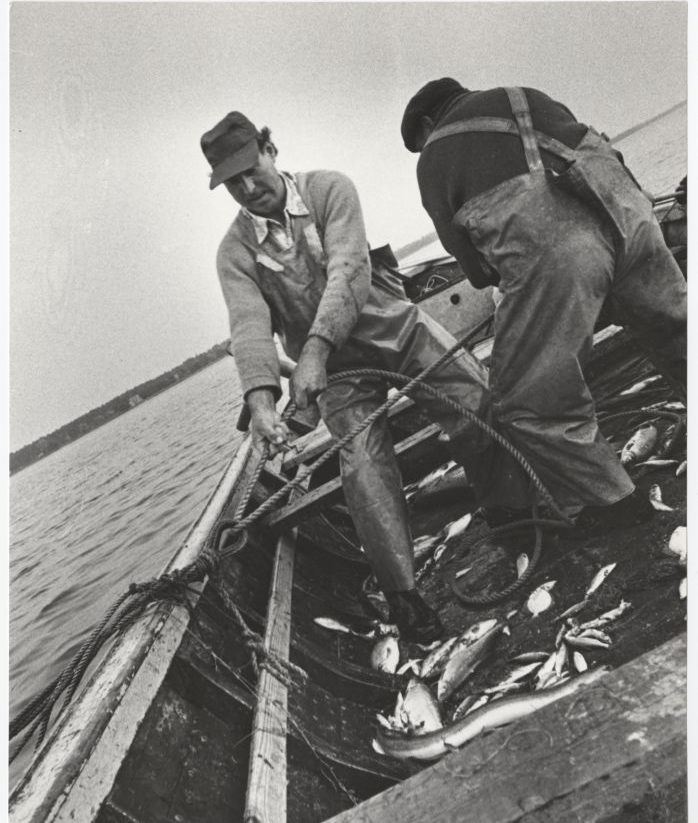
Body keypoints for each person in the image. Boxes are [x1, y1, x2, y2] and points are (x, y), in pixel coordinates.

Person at [200, 110, 497, 643]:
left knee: (474, 399)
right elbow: (249, 326)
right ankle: (406, 598)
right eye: (232, 183)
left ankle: (512, 507)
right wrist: (263, 401)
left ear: (271, 150)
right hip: (337, 376)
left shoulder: (329, 189)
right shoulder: (234, 253)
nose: (247, 188)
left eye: (251, 169)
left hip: (396, 330)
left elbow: (349, 272)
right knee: (363, 468)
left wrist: (312, 350)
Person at [400, 79, 687, 533]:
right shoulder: (524, 95)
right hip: (631, 216)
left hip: (560, 252)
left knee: (528, 400)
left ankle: (615, 503)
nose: (427, 148)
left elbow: (476, 274)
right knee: (676, 327)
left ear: (426, 125)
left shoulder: (432, 158)